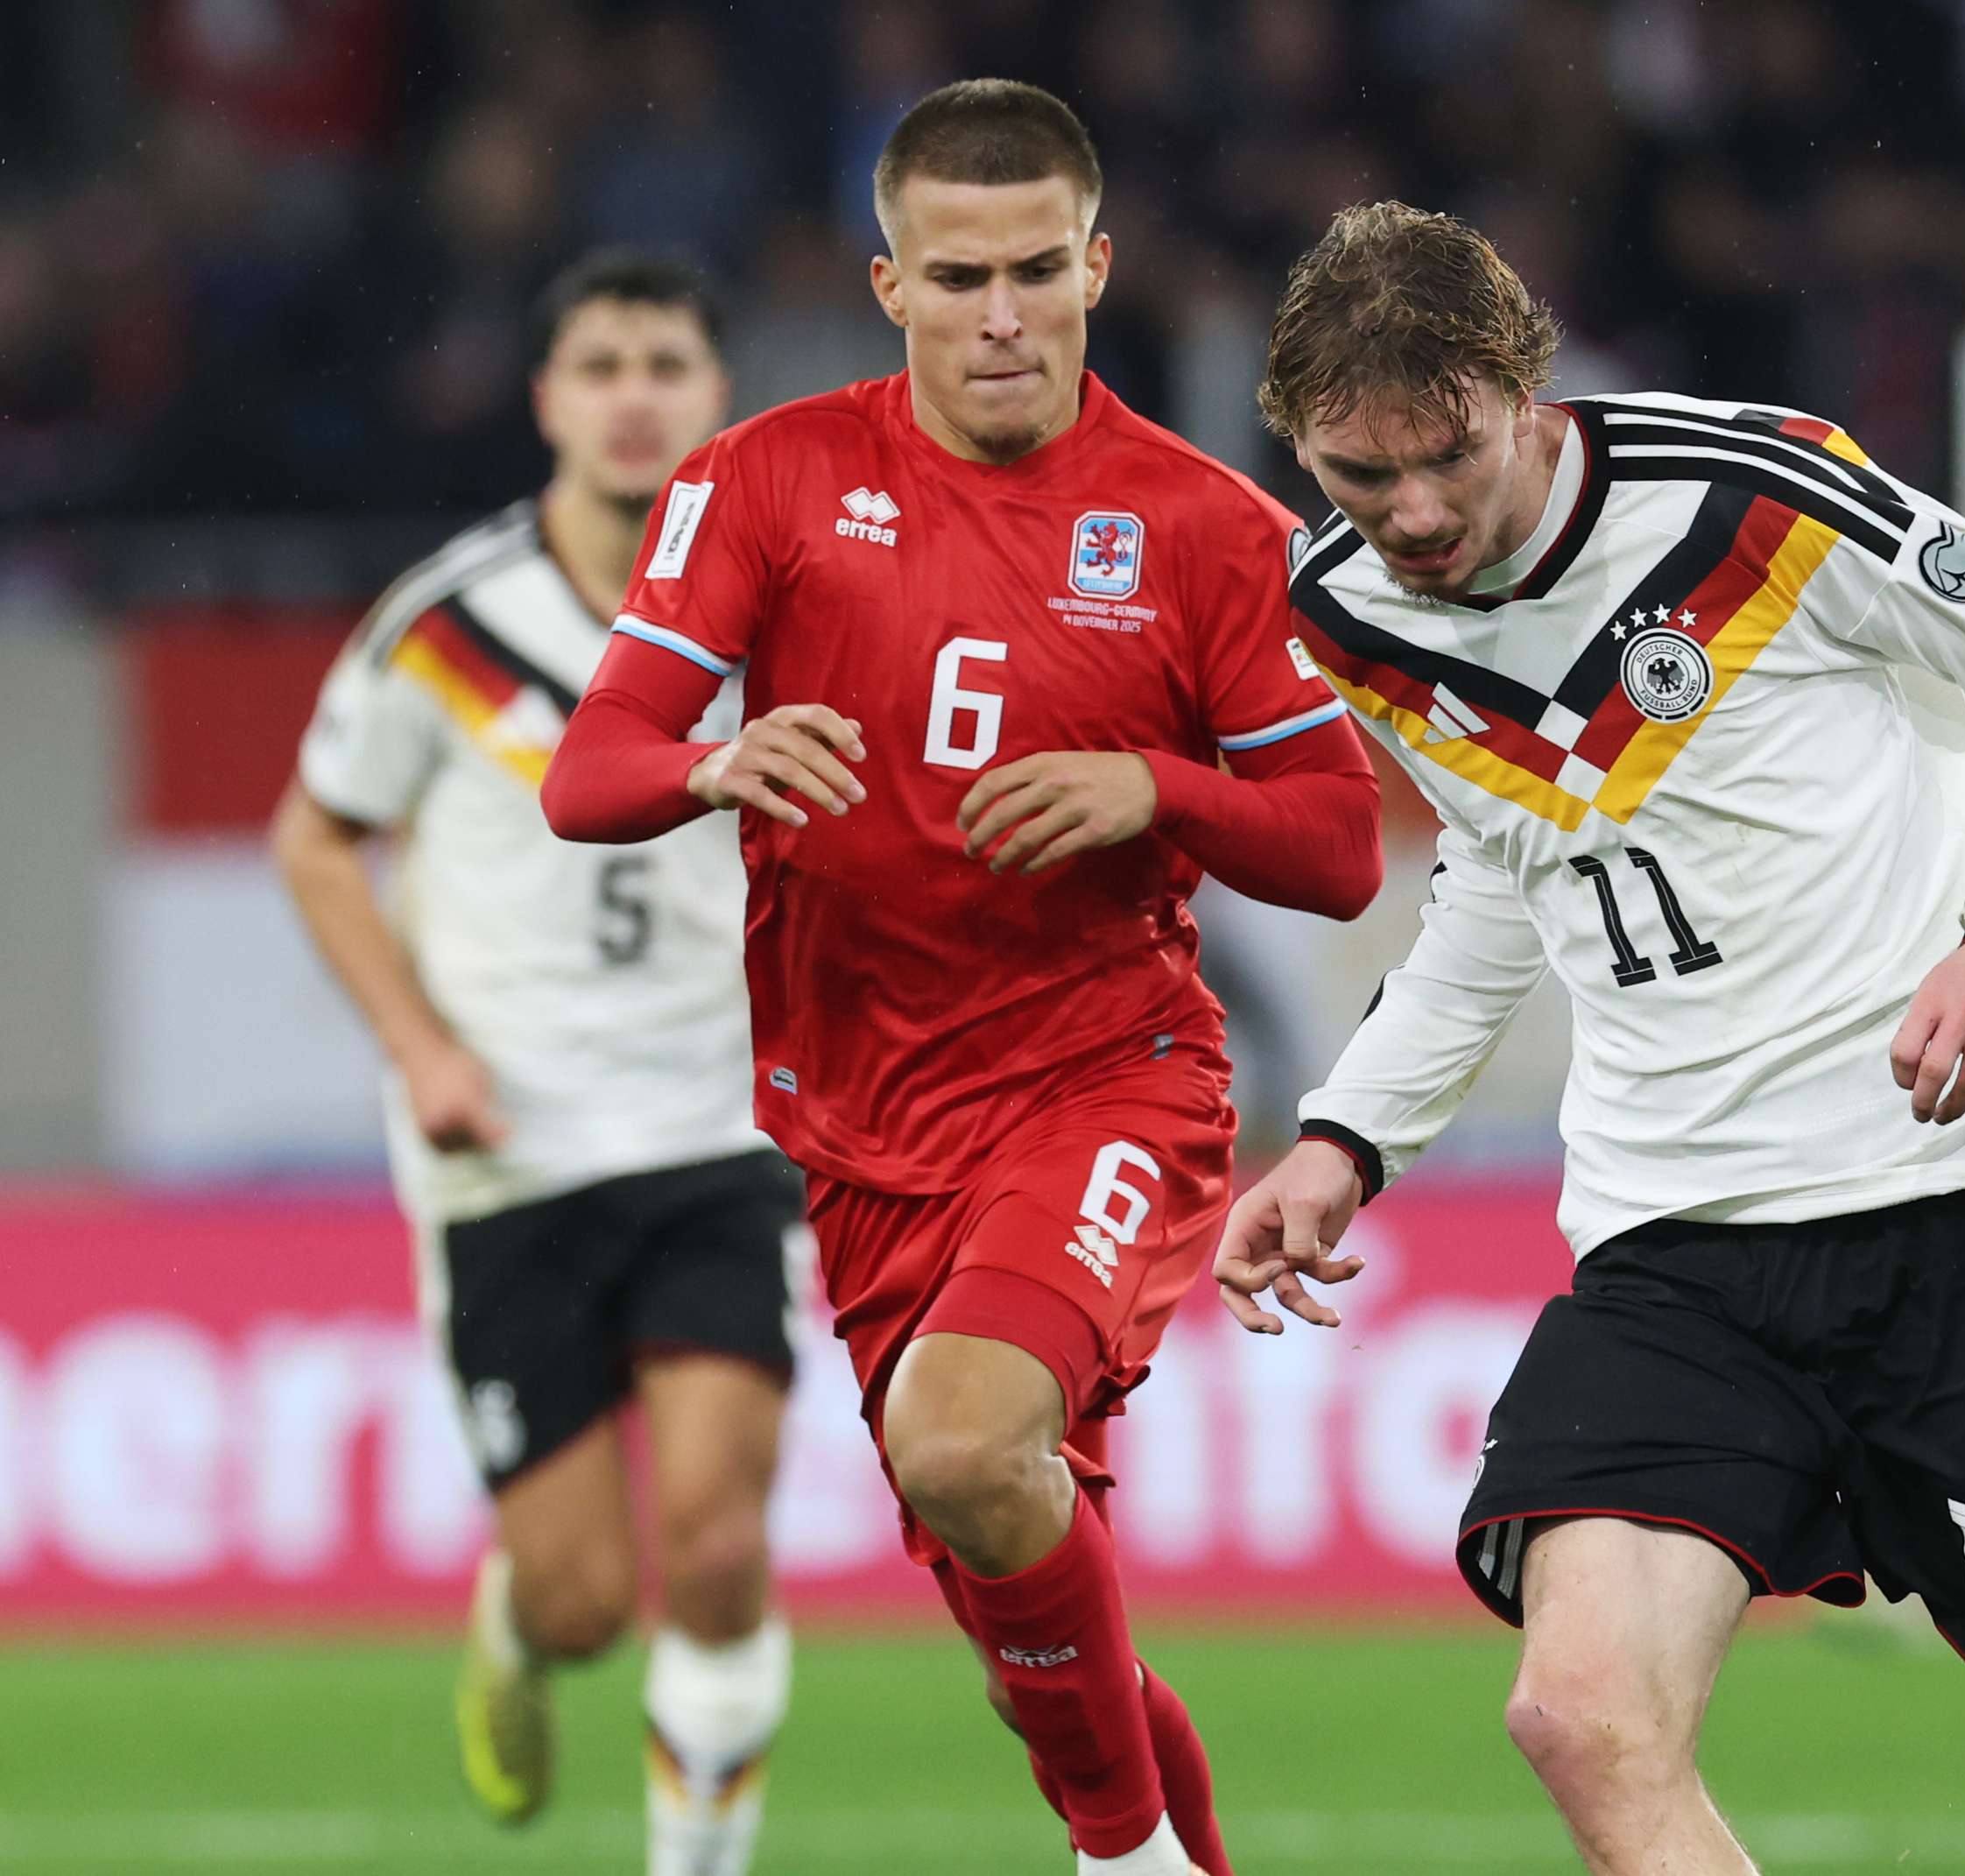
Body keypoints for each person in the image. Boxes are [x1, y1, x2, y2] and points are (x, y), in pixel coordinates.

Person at [1215, 201, 1965, 1876]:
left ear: (1524, 391)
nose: (1411, 514)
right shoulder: (1353, 607)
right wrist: (1347, 1136)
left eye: (1443, 457)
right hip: (1676, 1239)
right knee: (1582, 1715)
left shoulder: (1754, 493)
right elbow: (1501, 865)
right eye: (1354, 476)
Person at [539, 81, 1383, 1876]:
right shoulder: (761, 481)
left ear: (1096, 264)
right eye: (955, 276)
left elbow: (1334, 844)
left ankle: (1119, 1858)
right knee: (1027, 1608)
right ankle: (1158, 1845)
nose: (999, 315)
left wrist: (1152, 785)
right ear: (887, 286)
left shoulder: (1200, 526)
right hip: (860, 1132)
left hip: (1109, 1084)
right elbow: (587, 769)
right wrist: (710, 762)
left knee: (957, 1441)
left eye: (1031, 271)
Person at [272, 250, 795, 1876]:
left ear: (718, 399)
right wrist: (419, 1047)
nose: (636, 394)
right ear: (548, 400)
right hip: (508, 1146)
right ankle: (519, 1614)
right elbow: (312, 837)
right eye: (602, 365)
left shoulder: (790, 612)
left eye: (666, 363)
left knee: (714, 1545)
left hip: (721, 1129)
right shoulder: (448, 621)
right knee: (584, 1603)